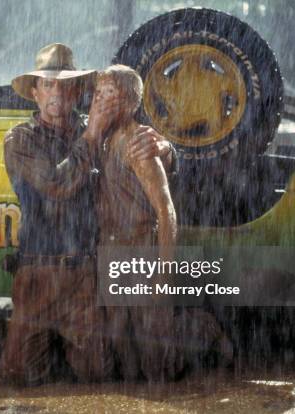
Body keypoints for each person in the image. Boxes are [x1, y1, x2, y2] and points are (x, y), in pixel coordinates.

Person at [0, 44, 174, 385]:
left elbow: (139, 142)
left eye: (66, 86)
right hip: (38, 275)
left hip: (84, 276)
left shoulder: (102, 126)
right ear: (34, 93)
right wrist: (92, 133)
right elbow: (57, 183)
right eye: (48, 85)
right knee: (16, 377)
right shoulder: (20, 139)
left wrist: (166, 148)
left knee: (99, 375)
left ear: (78, 91)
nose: (57, 94)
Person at [93, 64, 232, 381]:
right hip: (111, 251)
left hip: (142, 249)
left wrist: (164, 272)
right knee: (122, 353)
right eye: (98, 94)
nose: (101, 101)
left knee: (158, 361)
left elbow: (166, 210)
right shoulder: (98, 139)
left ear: (129, 103)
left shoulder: (139, 145)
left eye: (110, 94)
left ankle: (204, 329)